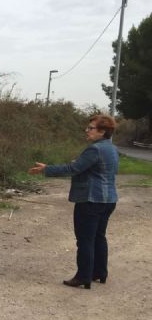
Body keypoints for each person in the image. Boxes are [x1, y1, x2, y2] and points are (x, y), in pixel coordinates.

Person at [28, 114, 119, 289]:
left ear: (102, 131)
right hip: (108, 200)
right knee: (99, 236)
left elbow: (74, 169)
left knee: (85, 239)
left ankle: (83, 276)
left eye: (91, 128)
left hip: (91, 199)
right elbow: (97, 169)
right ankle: (100, 272)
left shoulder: (95, 149)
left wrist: (46, 169)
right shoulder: (112, 149)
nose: (87, 130)